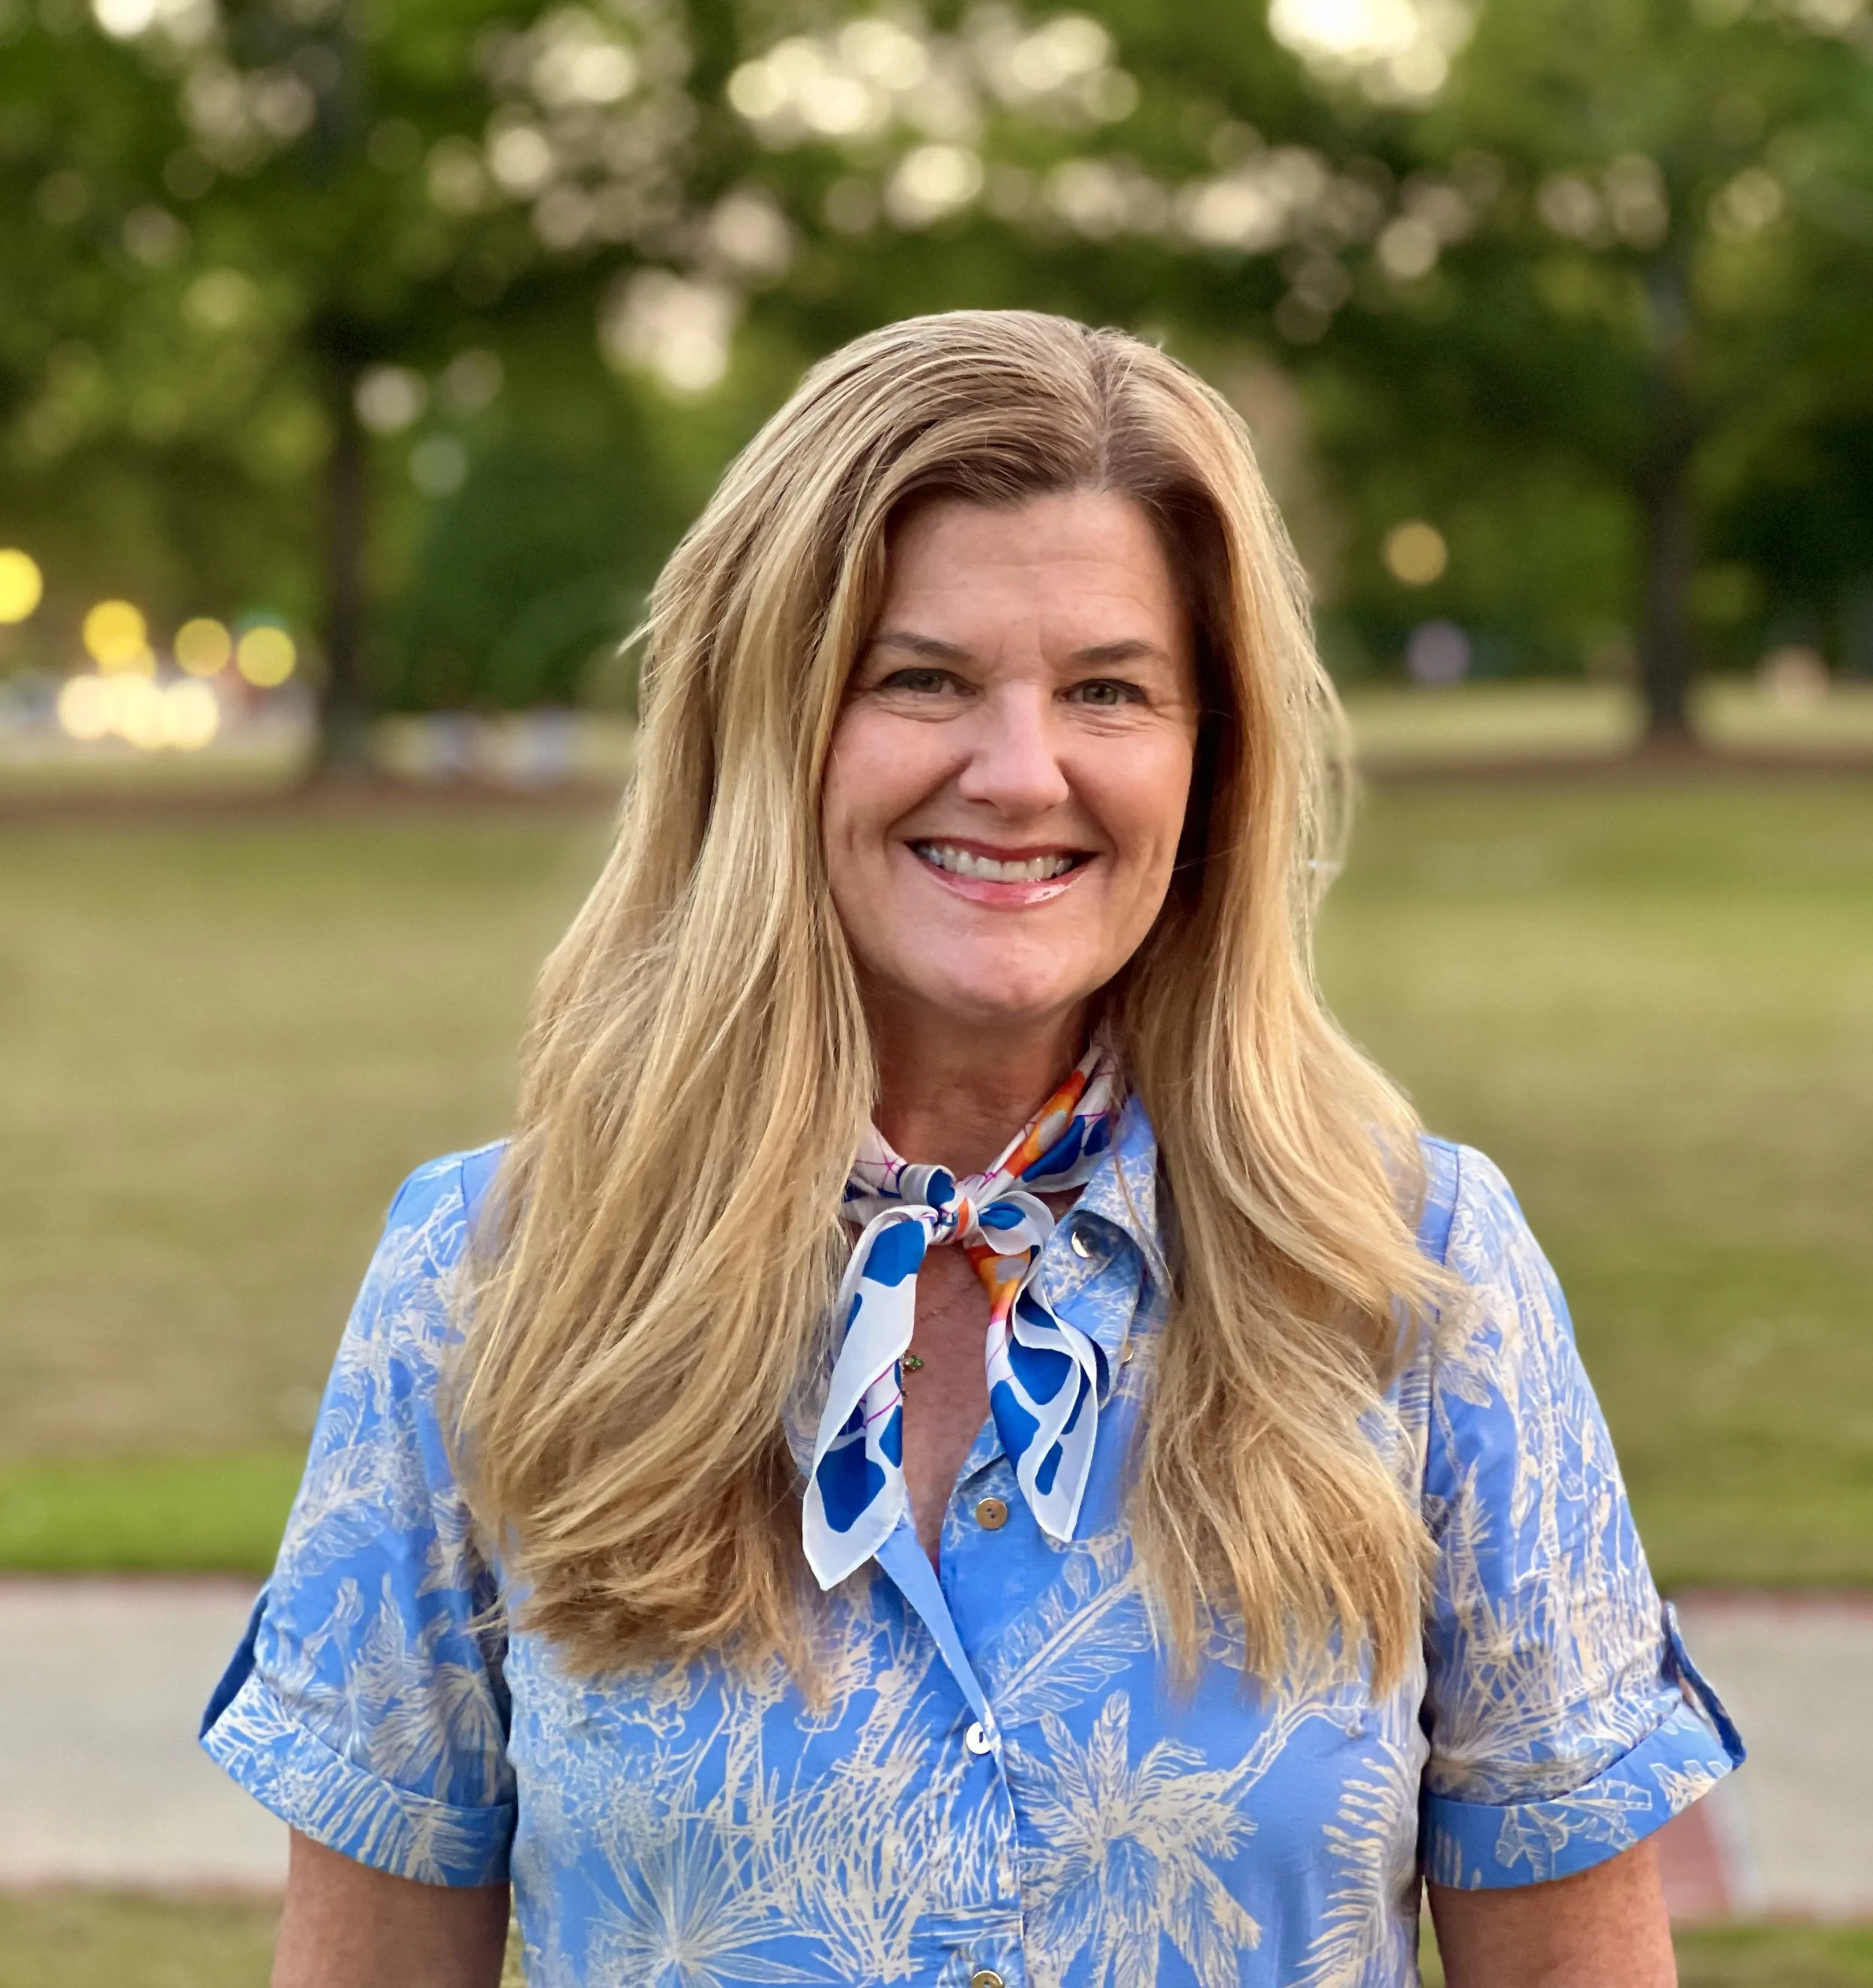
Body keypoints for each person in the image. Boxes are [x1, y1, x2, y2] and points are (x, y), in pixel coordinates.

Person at [202, 310, 1741, 1988]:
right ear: (764, 727)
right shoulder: (488, 1275)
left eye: (1107, 690)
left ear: (1209, 758)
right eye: (919, 678)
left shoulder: (1419, 1273)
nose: (1021, 774)